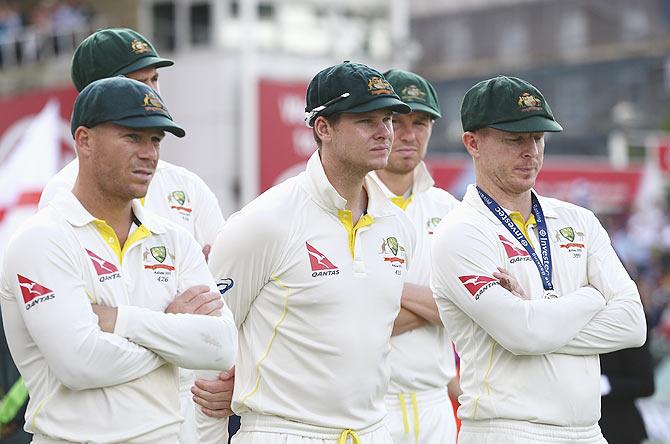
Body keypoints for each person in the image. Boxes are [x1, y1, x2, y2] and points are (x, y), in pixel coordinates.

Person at [0, 76, 237, 443]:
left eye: (155, 140)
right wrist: (173, 331)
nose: (150, 153)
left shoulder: (175, 239)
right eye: (133, 137)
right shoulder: (40, 239)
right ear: (84, 140)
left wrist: (123, 321)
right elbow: (80, 364)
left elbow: (221, 347)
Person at [199, 61, 416, 443]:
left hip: (373, 431)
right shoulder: (264, 221)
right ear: (323, 128)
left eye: (388, 119)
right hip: (283, 431)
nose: (385, 132)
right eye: (367, 120)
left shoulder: (397, 226)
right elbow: (205, 342)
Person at [430, 75, 647, 444]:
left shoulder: (578, 219)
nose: (530, 150)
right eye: (514, 139)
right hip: (508, 430)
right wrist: (591, 298)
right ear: (473, 142)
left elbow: (633, 325)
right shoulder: (460, 231)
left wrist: (538, 315)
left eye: (538, 138)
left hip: (589, 431)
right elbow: (523, 334)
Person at [368, 69, 459, 444]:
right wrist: (438, 302)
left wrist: (386, 290)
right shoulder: (349, 202)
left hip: (434, 404)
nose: (408, 135)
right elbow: (345, 317)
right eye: (397, 122)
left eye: (420, 122)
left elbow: (466, 308)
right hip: (369, 404)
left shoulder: (451, 209)